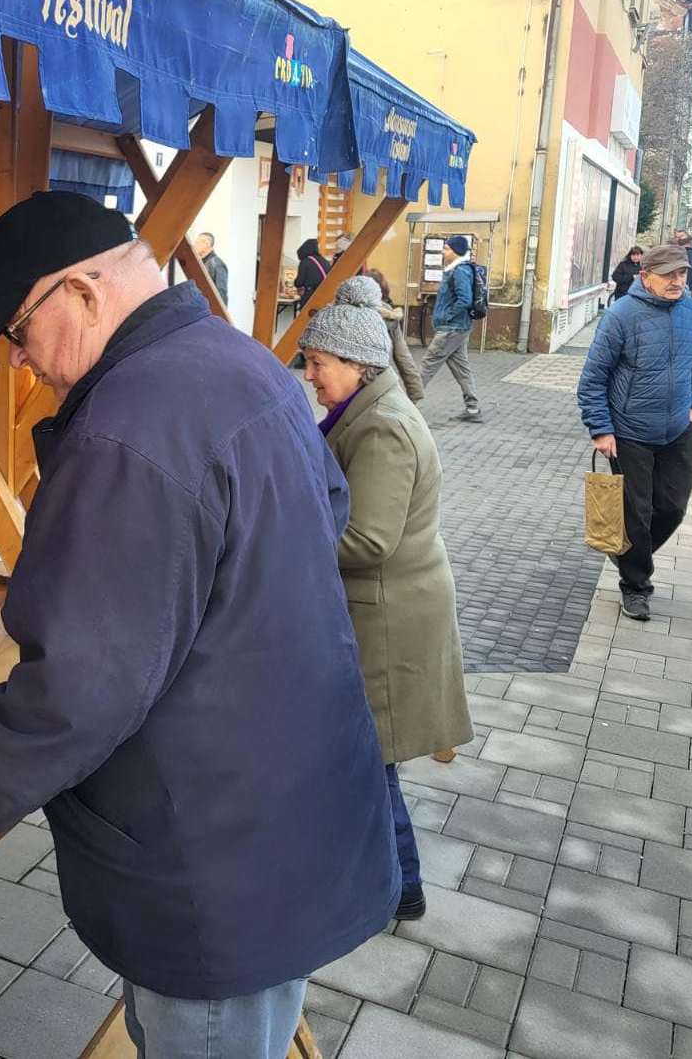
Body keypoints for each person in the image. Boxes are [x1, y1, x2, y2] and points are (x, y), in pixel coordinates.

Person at [0, 191, 398, 1059]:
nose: (25, 362)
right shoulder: (243, 360)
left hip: (211, 864)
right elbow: (323, 517)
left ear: (80, 290)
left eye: (22, 331)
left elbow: (76, 689)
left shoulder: (132, 425)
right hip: (283, 812)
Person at [300, 277, 474, 922]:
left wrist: (286, 536)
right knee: (363, 760)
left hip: (389, 616)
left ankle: (401, 888)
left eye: (318, 364)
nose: (311, 376)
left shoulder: (384, 428)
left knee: (370, 762)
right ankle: (386, 884)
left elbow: (368, 541)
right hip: (383, 608)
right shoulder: (364, 410)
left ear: (355, 363)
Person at [577, 244, 692, 622]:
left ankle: (629, 553)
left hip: (678, 429)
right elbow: (592, 378)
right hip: (630, 431)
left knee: (672, 507)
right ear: (645, 276)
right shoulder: (621, 315)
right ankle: (635, 585)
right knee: (636, 514)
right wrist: (601, 429)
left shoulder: (690, 310)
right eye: (668, 274)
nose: (677, 281)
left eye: (682, 274)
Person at [419, 234, 483, 423]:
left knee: (427, 365)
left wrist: (447, 316)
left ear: (455, 252)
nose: (443, 251)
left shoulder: (460, 271)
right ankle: (472, 409)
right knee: (461, 368)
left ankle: (404, 405)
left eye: (446, 248)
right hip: (458, 328)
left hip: (452, 328)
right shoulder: (456, 270)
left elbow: (465, 299)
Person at [367, 269, 424, 402]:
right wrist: (415, 392)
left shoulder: (355, 312)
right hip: (383, 378)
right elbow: (403, 356)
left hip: (356, 377)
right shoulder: (391, 315)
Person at [293, 237, 330, 311]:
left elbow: (299, 282)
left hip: (310, 296)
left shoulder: (305, 261)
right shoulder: (325, 261)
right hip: (324, 296)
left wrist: (295, 283)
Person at [193, 231, 230, 306]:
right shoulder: (201, 263)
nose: (194, 245)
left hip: (211, 310)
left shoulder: (216, 264)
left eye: (197, 243)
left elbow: (221, 293)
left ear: (206, 244)